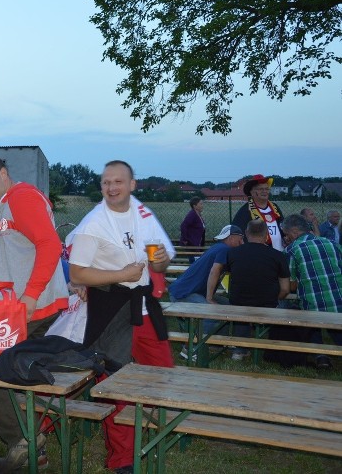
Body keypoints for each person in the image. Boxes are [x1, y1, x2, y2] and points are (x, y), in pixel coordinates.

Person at [68, 160, 174, 474]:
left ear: (132, 185)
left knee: (164, 377)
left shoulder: (143, 215)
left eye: (118, 181)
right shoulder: (93, 224)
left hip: (143, 311)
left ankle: (157, 432)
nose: (112, 187)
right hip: (112, 312)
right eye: (106, 182)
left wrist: (161, 263)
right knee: (115, 388)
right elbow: (77, 272)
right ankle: (122, 460)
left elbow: (157, 265)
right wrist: (121, 273)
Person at [0, 153, 69, 473]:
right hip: (16, 309)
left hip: (32, 310)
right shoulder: (6, 203)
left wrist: (29, 297)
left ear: (3, 173)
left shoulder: (22, 197)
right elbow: (16, 257)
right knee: (0, 372)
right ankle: (31, 450)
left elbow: (51, 246)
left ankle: (24, 442)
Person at [206, 219, 291, 360]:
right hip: (267, 303)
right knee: (283, 304)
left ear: (246, 233)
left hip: (238, 302)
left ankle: (239, 350)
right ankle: (271, 343)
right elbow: (286, 288)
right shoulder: (278, 255)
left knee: (241, 303)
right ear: (266, 235)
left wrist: (209, 296)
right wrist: (275, 298)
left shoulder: (233, 253)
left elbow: (215, 271)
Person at [168, 224, 243, 357]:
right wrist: (209, 298)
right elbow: (215, 271)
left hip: (188, 291)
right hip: (184, 293)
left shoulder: (219, 248)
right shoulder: (224, 249)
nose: (242, 243)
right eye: (240, 239)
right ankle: (190, 349)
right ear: (231, 238)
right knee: (210, 312)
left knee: (229, 307)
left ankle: (214, 342)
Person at [281, 214, 342, 369]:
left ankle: (321, 357)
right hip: (339, 303)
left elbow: (292, 286)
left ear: (294, 232)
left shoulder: (291, 250)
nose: (285, 238)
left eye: (286, 234)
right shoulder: (332, 243)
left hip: (313, 306)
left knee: (309, 318)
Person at [232, 174, 285, 251]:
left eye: (267, 189)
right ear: (252, 192)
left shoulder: (275, 207)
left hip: (279, 252)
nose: (264, 191)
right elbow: (238, 233)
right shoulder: (246, 211)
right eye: (260, 189)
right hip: (258, 253)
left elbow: (282, 225)